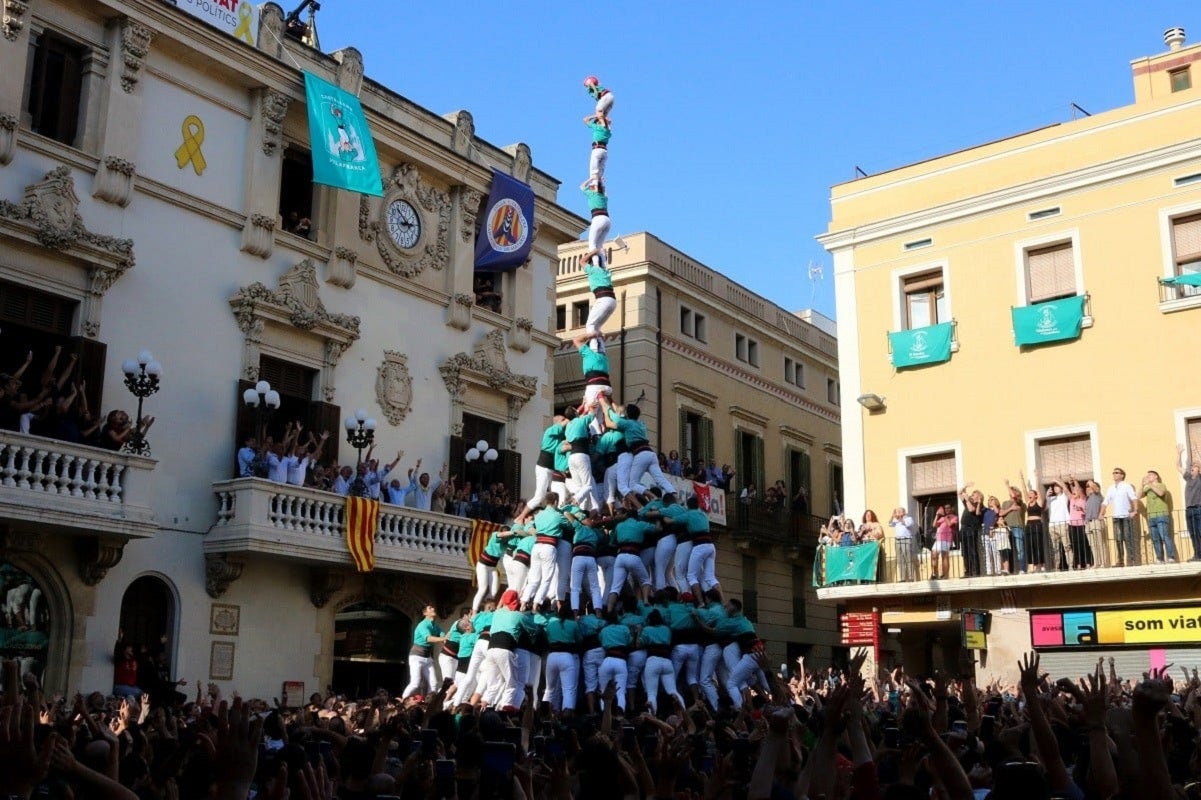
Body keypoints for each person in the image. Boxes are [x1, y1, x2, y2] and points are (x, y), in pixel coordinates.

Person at [402, 604, 447, 699]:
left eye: (433, 607)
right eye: (430, 608)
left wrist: (447, 637)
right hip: (416, 657)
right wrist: (443, 638)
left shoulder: (435, 626)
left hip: (427, 658)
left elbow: (443, 635)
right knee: (415, 683)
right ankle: (402, 701)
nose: (433, 608)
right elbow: (429, 639)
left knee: (434, 683)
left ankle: (430, 704)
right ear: (425, 613)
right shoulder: (422, 625)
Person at [1101, 467, 1140, 566]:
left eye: (1116, 472)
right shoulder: (1111, 488)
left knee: (1128, 538)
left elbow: (1134, 498)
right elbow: (1105, 502)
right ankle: (1121, 561)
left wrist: (1135, 510)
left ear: (1122, 475)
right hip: (1116, 517)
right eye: (1113, 472)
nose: (1114, 474)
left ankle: (1131, 560)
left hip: (1126, 516)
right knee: (1118, 539)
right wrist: (1101, 513)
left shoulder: (1127, 486)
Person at [1141, 469, 1176, 563]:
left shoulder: (1161, 485)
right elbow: (1138, 496)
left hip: (1161, 515)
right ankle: (1159, 558)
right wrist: (1142, 485)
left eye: (1150, 475)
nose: (1148, 477)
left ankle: (1171, 557)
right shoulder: (1147, 488)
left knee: (1165, 536)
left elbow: (1161, 493)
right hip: (1151, 516)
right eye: (1147, 476)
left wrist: (1150, 485)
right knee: (1155, 539)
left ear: (1156, 476)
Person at [580, 179, 610, 269]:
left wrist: (591, 179)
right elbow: (604, 190)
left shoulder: (592, 194)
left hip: (598, 219)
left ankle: (596, 265)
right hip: (607, 220)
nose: (590, 188)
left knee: (592, 245)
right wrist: (601, 181)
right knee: (600, 245)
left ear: (594, 188)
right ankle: (605, 266)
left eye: (591, 187)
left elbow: (581, 187)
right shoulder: (604, 197)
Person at [1045, 476, 1072, 571]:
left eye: (1057, 486)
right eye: (1054, 486)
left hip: (1063, 524)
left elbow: (1066, 489)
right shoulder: (1050, 499)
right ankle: (1057, 566)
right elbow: (1044, 508)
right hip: (1052, 525)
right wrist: (1046, 496)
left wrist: (1058, 480)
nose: (1055, 487)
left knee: (1067, 546)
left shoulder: (1063, 497)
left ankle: (1070, 565)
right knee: (1055, 548)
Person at [1179, 444, 1201, 561]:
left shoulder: (1200, 478)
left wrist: (1197, 453)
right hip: (1189, 510)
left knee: (1200, 532)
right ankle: (1197, 555)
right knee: (1193, 533)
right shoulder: (1188, 477)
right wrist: (1179, 453)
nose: (1192, 467)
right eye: (1192, 465)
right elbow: (1178, 466)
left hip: (1198, 509)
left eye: (1195, 466)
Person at [889, 506, 918, 581]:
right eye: (897, 511)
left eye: (899, 511)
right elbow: (889, 524)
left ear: (904, 512)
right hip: (898, 540)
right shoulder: (896, 520)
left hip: (906, 540)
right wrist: (892, 516)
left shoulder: (909, 518)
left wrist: (900, 518)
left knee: (908, 559)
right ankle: (902, 578)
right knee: (900, 560)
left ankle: (911, 577)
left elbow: (907, 524)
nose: (898, 512)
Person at [583, 112, 611, 185]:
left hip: (597, 150)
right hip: (604, 151)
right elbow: (609, 122)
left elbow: (585, 119)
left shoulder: (598, 127)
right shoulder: (608, 131)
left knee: (593, 171)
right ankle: (599, 183)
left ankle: (594, 186)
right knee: (600, 172)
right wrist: (601, 117)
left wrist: (596, 116)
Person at [931, 505, 956, 580]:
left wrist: (945, 516)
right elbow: (934, 525)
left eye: (948, 508)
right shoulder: (942, 518)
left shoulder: (954, 517)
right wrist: (937, 515)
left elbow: (950, 524)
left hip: (946, 539)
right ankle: (935, 574)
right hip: (938, 539)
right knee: (934, 555)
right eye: (945, 508)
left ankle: (945, 575)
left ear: (951, 508)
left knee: (944, 556)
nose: (946, 509)